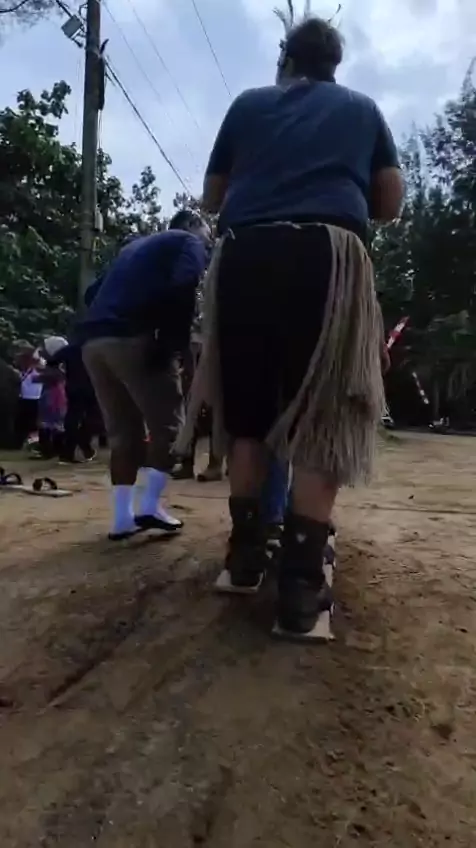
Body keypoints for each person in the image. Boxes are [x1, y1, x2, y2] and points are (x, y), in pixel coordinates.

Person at [179, 9, 404, 635]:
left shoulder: (248, 104)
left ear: (286, 60)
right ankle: (302, 588)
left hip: (245, 254)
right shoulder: (363, 109)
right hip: (328, 255)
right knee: (323, 417)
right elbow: (389, 202)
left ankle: (246, 555)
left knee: (248, 415)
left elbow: (212, 198)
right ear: (335, 65)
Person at [76, 212, 211, 540]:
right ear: (191, 226)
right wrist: (170, 344)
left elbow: (92, 293)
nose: (208, 243)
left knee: (123, 433)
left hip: (93, 342)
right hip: (133, 337)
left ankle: (122, 519)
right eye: (208, 235)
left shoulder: (132, 249)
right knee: (169, 427)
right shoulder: (187, 242)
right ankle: (149, 505)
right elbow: (184, 283)